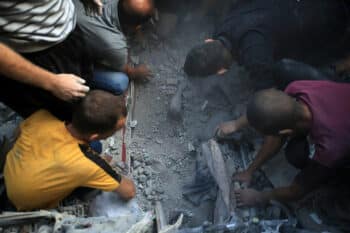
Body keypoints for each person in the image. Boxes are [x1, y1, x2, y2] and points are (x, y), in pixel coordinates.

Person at [216, 81, 350, 206]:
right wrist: (249, 170)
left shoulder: (329, 148)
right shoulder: (296, 88)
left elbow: (296, 191)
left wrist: (260, 197)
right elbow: (268, 109)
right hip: (338, 102)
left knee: (296, 155)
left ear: (285, 131)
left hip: (342, 138)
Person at [4, 90, 135, 211]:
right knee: (94, 155)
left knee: (96, 147)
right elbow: (129, 192)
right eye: (117, 129)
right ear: (94, 136)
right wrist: (107, 169)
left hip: (10, 175)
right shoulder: (87, 163)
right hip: (25, 204)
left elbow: (18, 133)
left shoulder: (41, 117)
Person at [184, 0, 350, 89]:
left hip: (335, 19)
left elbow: (266, 93)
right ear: (209, 40)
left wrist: (238, 123)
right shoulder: (226, 21)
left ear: (222, 71)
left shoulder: (255, 53)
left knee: (284, 71)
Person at [0, 0, 114, 121]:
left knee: (84, 83)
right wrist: (51, 82)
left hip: (68, 28)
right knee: (64, 113)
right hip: (33, 56)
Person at [73, 0, 155, 93]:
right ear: (136, 26)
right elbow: (127, 70)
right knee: (120, 81)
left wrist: (137, 29)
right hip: (63, 54)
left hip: (68, 13)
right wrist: (137, 72)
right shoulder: (115, 45)